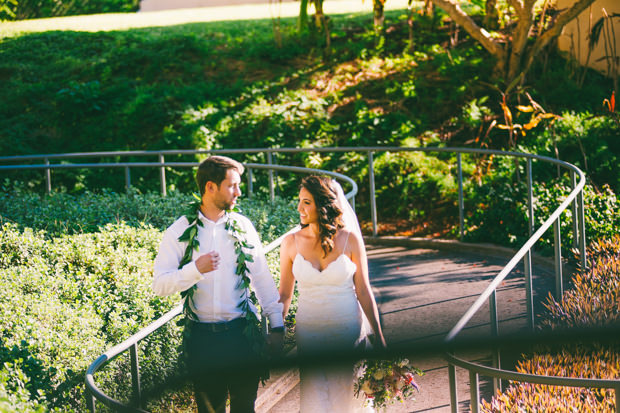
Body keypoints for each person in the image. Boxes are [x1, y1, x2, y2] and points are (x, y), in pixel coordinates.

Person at [152, 155, 285, 413]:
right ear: (210, 187)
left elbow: (262, 278)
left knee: (245, 409)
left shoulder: (243, 227)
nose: (239, 191)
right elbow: (160, 285)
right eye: (232, 185)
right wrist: (194, 270)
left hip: (242, 337)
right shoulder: (180, 229)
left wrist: (277, 326)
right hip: (202, 341)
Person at [278, 175, 386, 412]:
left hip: (347, 330)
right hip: (310, 333)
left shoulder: (351, 240)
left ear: (323, 204)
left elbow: (364, 290)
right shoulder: (290, 243)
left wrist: (378, 335)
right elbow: (285, 294)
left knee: (347, 397)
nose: (299, 208)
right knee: (315, 397)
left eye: (306, 202)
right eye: (299, 201)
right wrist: (276, 330)